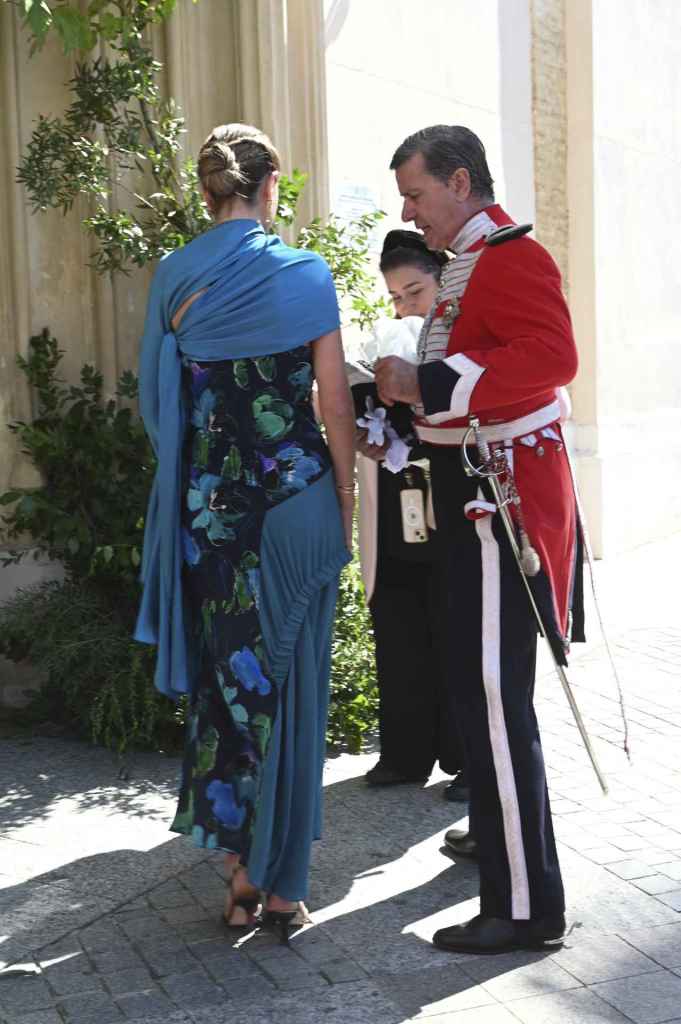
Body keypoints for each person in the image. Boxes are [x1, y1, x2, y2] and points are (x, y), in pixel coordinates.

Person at [134, 123, 355, 943]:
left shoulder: (174, 275)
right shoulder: (304, 273)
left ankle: (237, 871)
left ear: (205, 193)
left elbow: (161, 411)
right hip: (297, 506)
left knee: (229, 690)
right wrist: (346, 502)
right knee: (294, 689)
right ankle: (280, 881)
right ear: (270, 191)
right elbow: (334, 405)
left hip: (211, 517)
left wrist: (202, 488)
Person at [375, 125, 584, 954]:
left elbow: (551, 356)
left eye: (417, 194)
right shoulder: (470, 259)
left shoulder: (505, 254)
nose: (408, 212)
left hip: (494, 504)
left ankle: (525, 906)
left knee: (494, 706)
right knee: (482, 698)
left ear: (459, 183)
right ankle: (516, 883)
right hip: (473, 496)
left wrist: (423, 380)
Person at [354, 230, 468, 800]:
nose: (405, 307)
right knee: (397, 620)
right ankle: (404, 751)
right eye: (396, 298)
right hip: (397, 500)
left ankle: (470, 757)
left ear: (441, 279)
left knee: (459, 626)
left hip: (452, 498)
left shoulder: (467, 329)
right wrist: (368, 424)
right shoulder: (383, 340)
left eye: (415, 291)